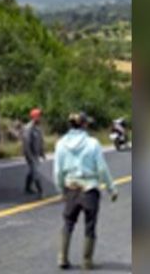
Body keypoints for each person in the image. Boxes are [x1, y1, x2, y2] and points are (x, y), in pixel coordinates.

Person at [54, 112, 118, 270]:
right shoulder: (93, 143)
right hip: (89, 189)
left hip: (71, 187)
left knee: (68, 223)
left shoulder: (61, 143)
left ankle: (62, 257)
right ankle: (86, 261)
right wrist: (111, 188)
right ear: (84, 125)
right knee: (90, 225)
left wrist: (61, 189)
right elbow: (102, 169)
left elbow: (57, 171)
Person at [22, 108, 45, 197]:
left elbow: (40, 141)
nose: (41, 118)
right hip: (30, 153)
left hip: (36, 153)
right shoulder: (28, 128)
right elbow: (26, 143)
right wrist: (30, 156)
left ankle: (27, 188)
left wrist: (42, 153)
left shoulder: (38, 128)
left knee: (32, 171)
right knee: (36, 171)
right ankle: (40, 191)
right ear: (34, 117)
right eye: (39, 116)